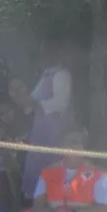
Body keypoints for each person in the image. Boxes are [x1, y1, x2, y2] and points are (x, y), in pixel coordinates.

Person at [25, 49, 76, 197]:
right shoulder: (47, 73)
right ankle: (34, 198)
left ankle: (55, 196)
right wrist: (26, 101)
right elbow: (34, 97)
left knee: (53, 160)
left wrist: (37, 104)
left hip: (55, 127)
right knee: (37, 160)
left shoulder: (62, 74)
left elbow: (61, 103)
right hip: (40, 127)